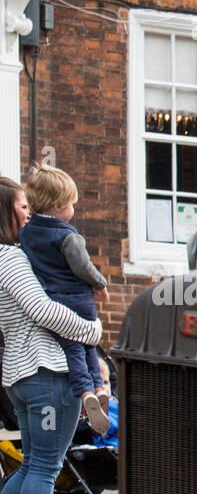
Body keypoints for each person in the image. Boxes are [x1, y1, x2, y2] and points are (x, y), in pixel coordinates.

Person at [0, 176, 104, 494]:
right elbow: (43, 310)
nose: (30, 213)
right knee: (45, 467)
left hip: (22, 376)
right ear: (5, 211)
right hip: (46, 372)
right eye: (23, 206)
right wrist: (92, 331)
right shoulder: (11, 259)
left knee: (31, 464)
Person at [18, 164, 111, 434]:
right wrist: (100, 283)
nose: (74, 209)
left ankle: (92, 393)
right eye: (72, 204)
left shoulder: (25, 233)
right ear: (59, 204)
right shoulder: (68, 236)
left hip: (53, 298)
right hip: (79, 298)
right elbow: (83, 267)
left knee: (74, 348)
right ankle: (93, 389)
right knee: (87, 345)